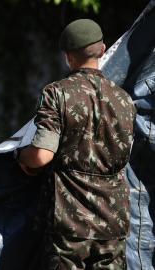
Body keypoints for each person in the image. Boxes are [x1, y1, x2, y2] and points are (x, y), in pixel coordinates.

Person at [17, 19, 136, 269]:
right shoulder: (124, 100)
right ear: (103, 50)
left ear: (67, 57)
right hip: (112, 224)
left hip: (69, 225)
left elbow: (41, 156)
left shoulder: (57, 93)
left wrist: (21, 158)